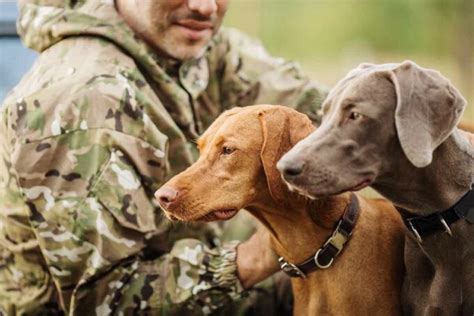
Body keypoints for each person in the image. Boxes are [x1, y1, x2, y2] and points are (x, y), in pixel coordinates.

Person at [0, 0, 327, 314]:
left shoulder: (184, 37)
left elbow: (322, 109)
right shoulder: (84, 100)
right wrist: (262, 254)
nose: (205, 6)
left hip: (197, 255)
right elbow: (106, 301)